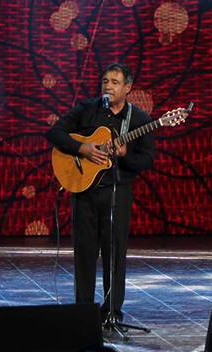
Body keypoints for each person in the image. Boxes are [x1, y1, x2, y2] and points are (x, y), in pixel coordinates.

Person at [47, 63, 155, 324]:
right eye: (105, 81)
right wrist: (82, 148)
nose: (108, 85)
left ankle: (112, 314)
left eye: (115, 82)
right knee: (84, 255)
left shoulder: (139, 119)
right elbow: (54, 132)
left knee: (115, 256)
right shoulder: (86, 109)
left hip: (117, 193)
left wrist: (125, 155)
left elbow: (146, 161)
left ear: (127, 88)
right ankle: (82, 313)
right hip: (84, 193)